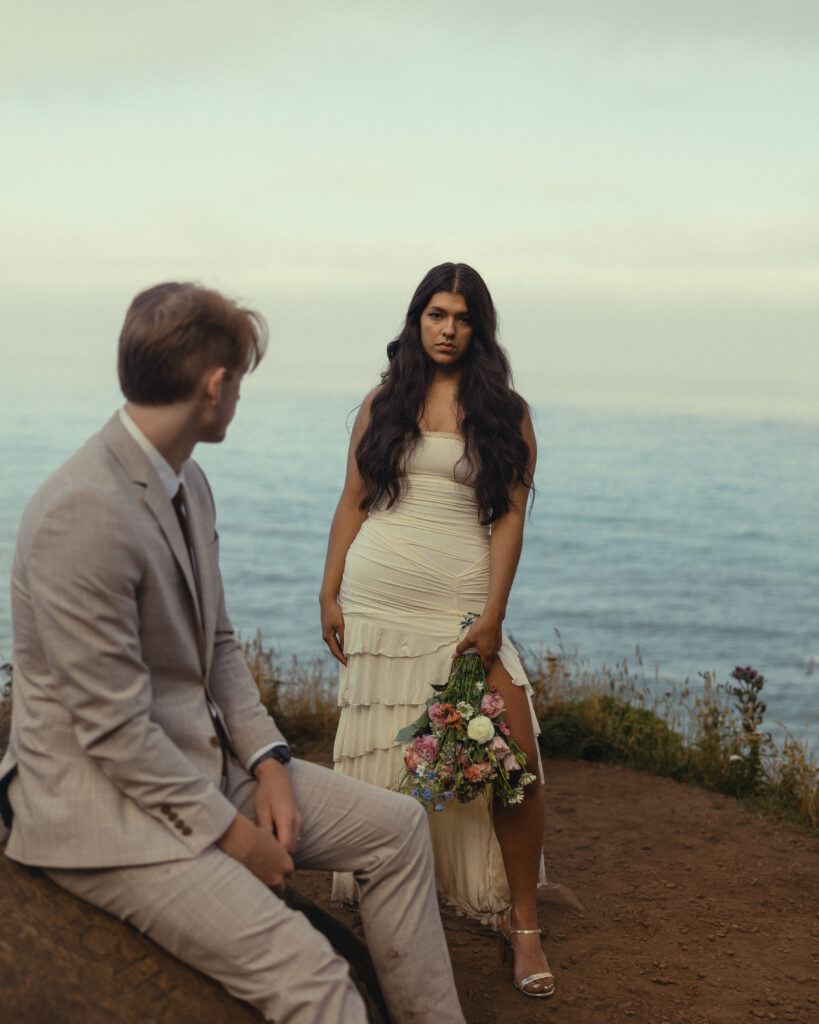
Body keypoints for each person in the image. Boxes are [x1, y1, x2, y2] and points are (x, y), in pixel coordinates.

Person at [0, 282, 466, 1024]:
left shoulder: (188, 480)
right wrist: (237, 841)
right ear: (215, 386)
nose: (240, 397)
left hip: (201, 764)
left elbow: (216, 647)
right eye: (240, 382)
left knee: (398, 827)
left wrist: (269, 763)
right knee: (315, 981)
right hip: (108, 809)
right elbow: (114, 736)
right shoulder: (83, 512)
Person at [320, 262, 555, 998]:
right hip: (378, 593)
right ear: (415, 320)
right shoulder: (382, 402)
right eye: (434, 314)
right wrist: (328, 592)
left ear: (477, 328)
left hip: (459, 601)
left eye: (460, 317)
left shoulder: (505, 412)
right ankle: (391, 925)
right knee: (390, 765)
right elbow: (353, 500)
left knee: (513, 757)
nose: (446, 328)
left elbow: (510, 516)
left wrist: (493, 616)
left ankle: (523, 927)